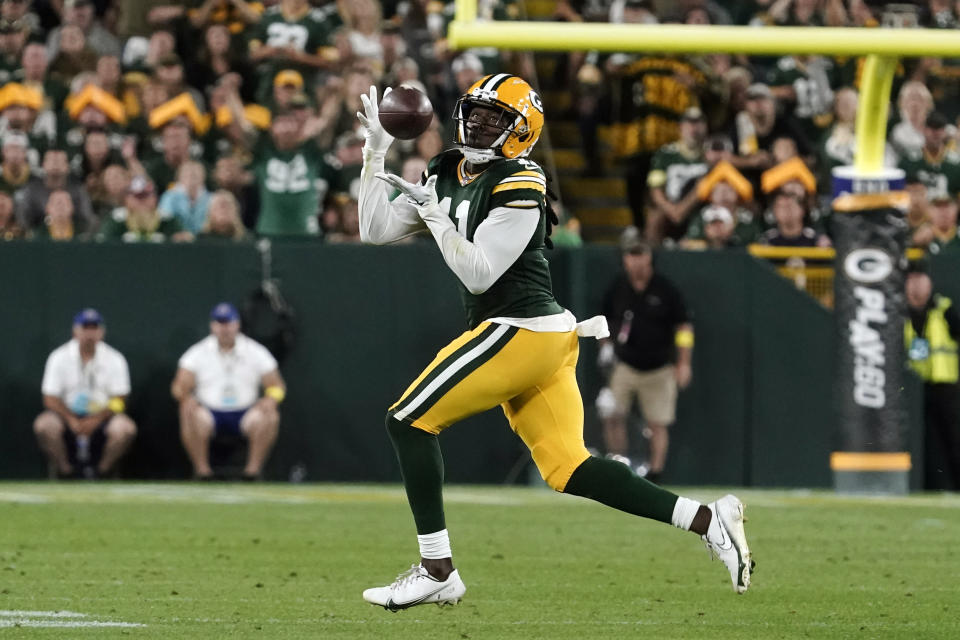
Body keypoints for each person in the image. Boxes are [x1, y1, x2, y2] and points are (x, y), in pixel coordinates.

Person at [356, 76, 752, 610]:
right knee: (570, 469)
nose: (477, 124)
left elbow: (479, 275)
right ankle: (708, 520)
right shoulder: (445, 168)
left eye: (494, 118)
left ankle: (437, 570)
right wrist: (375, 152)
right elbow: (374, 229)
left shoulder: (524, 179)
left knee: (407, 420)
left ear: (521, 132)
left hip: (520, 330)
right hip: (537, 338)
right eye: (475, 112)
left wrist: (435, 214)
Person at [598, 229, 693, 483]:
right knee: (612, 414)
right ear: (625, 258)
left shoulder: (665, 290)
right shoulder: (617, 287)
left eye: (641, 254)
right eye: (631, 254)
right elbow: (603, 320)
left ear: (650, 257)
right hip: (625, 364)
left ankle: (656, 474)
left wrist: (684, 362)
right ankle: (618, 468)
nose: (636, 260)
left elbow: (683, 327)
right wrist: (605, 347)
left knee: (657, 423)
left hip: (659, 367)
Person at [170, 302, 285, 480]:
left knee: (270, 415)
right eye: (219, 323)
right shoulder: (197, 353)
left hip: (246, 412)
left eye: (228, 323)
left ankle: (252, 472)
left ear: (237, 324)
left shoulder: (256, 351)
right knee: (187, 412)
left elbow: (277, 386)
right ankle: (202, 472)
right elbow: (178, 387)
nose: (224, 328)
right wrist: (186, 399)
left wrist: (271, 399)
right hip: (209, 413)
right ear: (212, 326)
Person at [33, 308, 137, 479]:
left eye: (94, 328)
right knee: (44, 425)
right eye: (85, 328)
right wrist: (71, 419)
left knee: (125, 429)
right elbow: (50, 398)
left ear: (102, 332)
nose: (90, 333)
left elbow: (120, 399)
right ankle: (65, 472)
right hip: (67, 416)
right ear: (75, 331)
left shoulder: (115, 358)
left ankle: (102, 472)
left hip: (103, 417)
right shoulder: (59, 357)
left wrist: (96, 419)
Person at [905, 262, 960, 490]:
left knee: (954, 439)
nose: (917, 286)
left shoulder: (944, 310)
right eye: (912, 279)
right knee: (925, 442)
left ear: (929, 284)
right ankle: (933, 486)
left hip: (946, 386)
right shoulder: (898, 312)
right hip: (914, 389)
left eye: (921, 280)